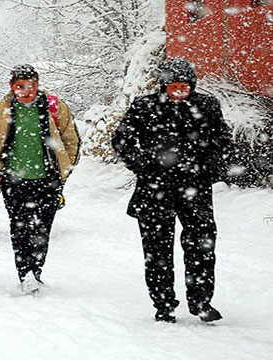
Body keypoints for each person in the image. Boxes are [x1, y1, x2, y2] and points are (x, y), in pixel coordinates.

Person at [112, 58, 232, 323]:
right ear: (163, 85)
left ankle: (201, 303)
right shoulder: (144, 107)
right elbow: (121, 140)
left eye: (185, 86)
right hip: (154, 190)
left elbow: (223, 141)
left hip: (196, 189)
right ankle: (163, 304)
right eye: (174, 86)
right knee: (157, 252)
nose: (180, 91)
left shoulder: (207, 106)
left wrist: (210, 168)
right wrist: (143, 165)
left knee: (201, 246)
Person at [0, 64, 81, 294]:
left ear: (38, 83)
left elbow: (71, 139)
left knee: (43, 228)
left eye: (31, 85)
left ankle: (37, 271)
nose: (26, 91)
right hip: (13, 180)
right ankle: (25, 273)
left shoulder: (55, 108)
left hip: (48, 179)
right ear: (12, 86)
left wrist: (62, 171)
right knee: (20, 228)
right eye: (20, 86)